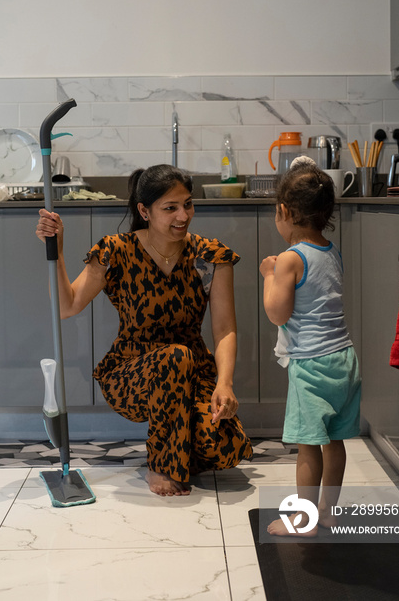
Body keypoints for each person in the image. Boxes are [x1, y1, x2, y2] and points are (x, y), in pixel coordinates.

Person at [36, 164, 252, 497]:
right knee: (174, 357)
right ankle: (162, 464)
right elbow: (67, 306)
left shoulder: (209, 257)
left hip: (193, 373)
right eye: (170, 208)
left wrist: (224, 383)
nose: (183, 215)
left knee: (226, 448)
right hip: (130, 374)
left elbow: (224, 329)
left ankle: (179, 445)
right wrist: (58, 250)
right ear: (144, 211)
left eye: (188, 204)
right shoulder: (115, 251)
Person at [259, 158, 361, 536]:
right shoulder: (330, 250)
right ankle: (328, 511)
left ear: (285, 211)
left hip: (312, 365)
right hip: (344, 360)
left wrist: (269, 275)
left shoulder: (289, 259)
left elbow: (277, 313)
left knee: (307, 446)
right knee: (334, 440)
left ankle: (304, 519)